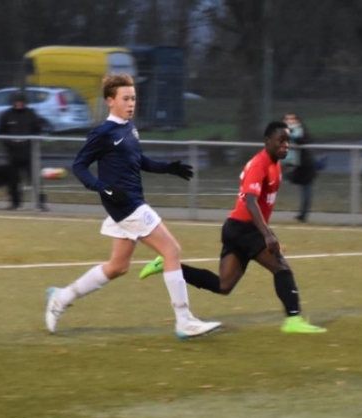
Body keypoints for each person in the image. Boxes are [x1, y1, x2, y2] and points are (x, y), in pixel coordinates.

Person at [44, 74, 221, 339]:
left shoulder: (129, 128)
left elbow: (139, 160)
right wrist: (103, 187)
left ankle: (62, 297)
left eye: (134, 98)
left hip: (129, 204)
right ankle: (184, 321)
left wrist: (168, 168)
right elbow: (79, 166)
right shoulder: (103, 132)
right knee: (172, 250)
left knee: (118, 266)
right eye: (126, 99)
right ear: (110, 101)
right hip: (128, 206)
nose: (131, 104)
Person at [137, 121, 325, 334]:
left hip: (236, 229)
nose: (285, 145)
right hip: (245, 229)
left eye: (287, 141)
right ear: (267, 141)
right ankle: (293, 320)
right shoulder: (260, 164)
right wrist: (267, 234)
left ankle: (170, 265)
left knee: (223, 285)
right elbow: (250, 201)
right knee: (281, 267)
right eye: (280, 141)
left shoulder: (275, 164)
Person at [0, 91, 46, 210]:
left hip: (29, 152)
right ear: (13, 102)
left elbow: (38, 128)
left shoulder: (31, 114)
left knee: (34, 179)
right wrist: (8, 144)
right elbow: (1, 132)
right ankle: (15, 203)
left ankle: (39, 203)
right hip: (13, 153)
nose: (19, 104)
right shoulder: (7, 115)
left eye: (21, 102)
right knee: (13, 180)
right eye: (16, 102)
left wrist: (40, 127)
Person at [282, 113, 318, 222]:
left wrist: (292, 135)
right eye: (287, 119)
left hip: (305, 166)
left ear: (297, 120)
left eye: (292, 119)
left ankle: (303, 215)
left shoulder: (301, 131)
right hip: (292, 165)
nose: (289, 120)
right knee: (276, 179)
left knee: (306, 189)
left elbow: (303, 141)